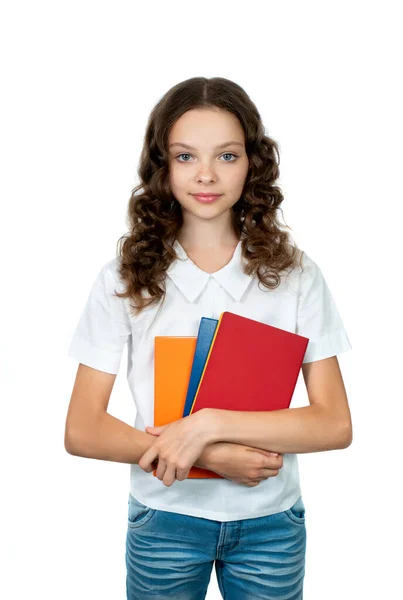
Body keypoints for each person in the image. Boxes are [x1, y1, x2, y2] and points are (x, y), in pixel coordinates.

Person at [65, 76, 353, 600]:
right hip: (165, 520)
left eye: (226, 156)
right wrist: (210, 456)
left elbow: (334, 423)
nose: (205, 175)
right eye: (184, 156)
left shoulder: (295, 275)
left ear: (252, 163)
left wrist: (207, 425)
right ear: (161, 165)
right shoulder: (124, 277)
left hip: (270, 525)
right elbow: (82, 428)